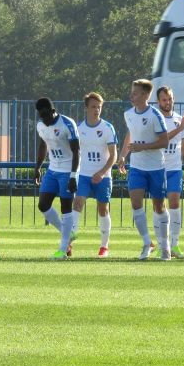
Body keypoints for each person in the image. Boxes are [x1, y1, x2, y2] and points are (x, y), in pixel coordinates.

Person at [118, 79, 171, 260]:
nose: (132, 95)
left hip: (156, 167)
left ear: (146, 96)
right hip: (138, 167)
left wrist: (144, 147)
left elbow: (164, 141)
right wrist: (123, 155)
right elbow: (130, 133)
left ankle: (165, 245)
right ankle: (147, 243)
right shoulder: (128, 114)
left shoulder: (155, 115)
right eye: (132, 92)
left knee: (159, 206)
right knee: (135, 203)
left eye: (136, 93)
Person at [34, 97, 80, 260]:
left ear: (53, 112)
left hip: (68, 170)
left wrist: (74, 175)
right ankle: (67, 233)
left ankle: (62, 249)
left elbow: (76, 151)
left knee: (65, 207)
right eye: (41, 116)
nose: (44, 120)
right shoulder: (41, 125)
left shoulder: (68, 124)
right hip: (53, 169)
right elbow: (43, 145)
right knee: (43, 204)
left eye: (46, 115)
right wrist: (38, 167)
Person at [73, 92, 117, 258]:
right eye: (93, 107)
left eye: (99, 107)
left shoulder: (107, 128)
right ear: (86, 108)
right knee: (77, 204)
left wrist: (102, 172)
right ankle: (69, 242)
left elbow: (113, 155)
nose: (96, 110)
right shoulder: (79, 128)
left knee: (103, 209)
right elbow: (74, 152)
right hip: (84, 174)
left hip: (103, 177)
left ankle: (104, 246)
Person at [156, 86, 184, 258]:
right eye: (164, 99)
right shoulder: (154, 118)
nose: (167, 102)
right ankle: (162, 245)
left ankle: (175, 245)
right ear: (158, 101)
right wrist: (179, 128)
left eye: (169, 99)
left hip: (175, 168)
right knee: (159, 206)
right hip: (158, 168)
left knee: (175, 203)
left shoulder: (179, 119)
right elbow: (161, 140)